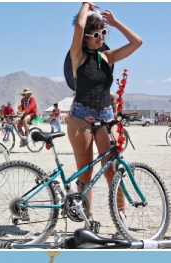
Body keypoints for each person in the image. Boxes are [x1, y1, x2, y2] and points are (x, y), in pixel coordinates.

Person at [68, 2, 142, 219]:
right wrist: (85, 4)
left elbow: (137, 42)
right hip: (81, 115)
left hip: (106, 116)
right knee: (86, 170)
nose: (101, 37)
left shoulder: (108, 57)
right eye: (96, 34)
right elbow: (79, 27)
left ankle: (121, 217)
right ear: (86, 37)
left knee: (112, 168)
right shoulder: (78, 56)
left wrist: (116, 23)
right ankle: (87, 218)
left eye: (103, 33)